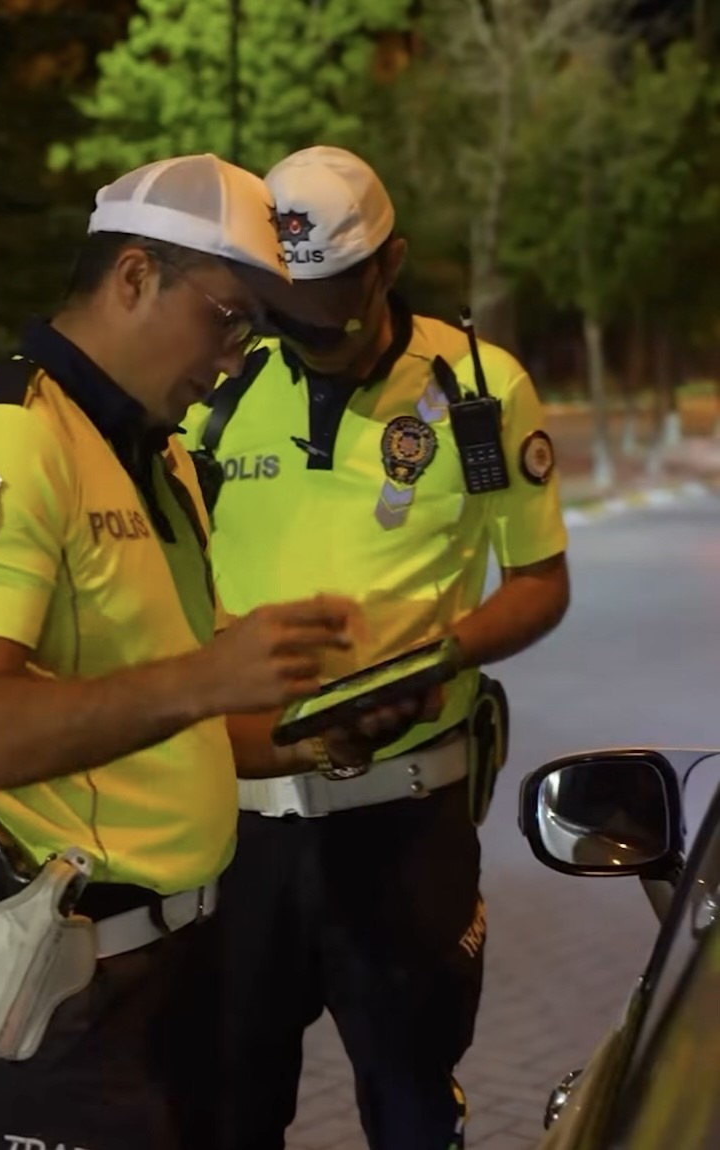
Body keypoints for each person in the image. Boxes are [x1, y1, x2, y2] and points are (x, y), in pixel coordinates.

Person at [0, 152, 371, 1150]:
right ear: (135, 276)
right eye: (228, 316)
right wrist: (206, 674)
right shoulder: (12, 436)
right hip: (66, 997)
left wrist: (318, 733)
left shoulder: (163, 455)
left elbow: (170, 718)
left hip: (185, 965)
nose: (238, 355)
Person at [183, 145, 571, 1150]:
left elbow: (538, 582)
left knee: (409, 1103)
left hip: (405, 822)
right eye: (286, 309)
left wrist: (442, 655)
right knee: (227, 1106)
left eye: (336, 312)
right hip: (234, 830)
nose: (311, 337)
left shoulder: (477, 390)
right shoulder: (214, 388)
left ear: (390, 263)